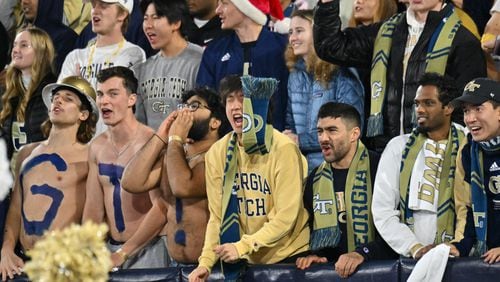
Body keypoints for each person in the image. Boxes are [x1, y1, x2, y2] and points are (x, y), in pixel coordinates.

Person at [314, 0, 486, 151]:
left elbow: (466, 106)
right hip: (385, 150)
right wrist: (328, 4)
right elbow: (331, 46)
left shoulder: (463, 41)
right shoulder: (385, 32)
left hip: (435, 154)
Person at [188, 75, 310, 281]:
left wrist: (242, 246)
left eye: (242, 98)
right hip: (245, 259)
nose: (235, 106)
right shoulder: (218, 152)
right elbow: (217, 217)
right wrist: (206, 263)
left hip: (287, 258)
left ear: (260, 106)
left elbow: (285, 217)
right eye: (230, 100)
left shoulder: (284, 149)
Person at [0, 75, 98, 281]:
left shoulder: (90, 156)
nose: (58, 100)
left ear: (83, 114)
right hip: (22, 263)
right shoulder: (27, 153)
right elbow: (15, 208)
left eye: (68, 98)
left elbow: (96, 214)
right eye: (56, 97)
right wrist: (6, 249)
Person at [122, 87, 230, 264]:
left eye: (194, 106)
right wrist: (162, 135)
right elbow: (131, 182)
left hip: (214, 268)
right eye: (184, 106)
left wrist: (175, 140)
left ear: (215, 122)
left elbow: (183, 187)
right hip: (175, 266)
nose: (185, 112)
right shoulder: (175, 156)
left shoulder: (219, 156)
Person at [372, 73, 467, 259]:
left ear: (448, 107)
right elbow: (382, 210)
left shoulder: (469, 142)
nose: (420, 110)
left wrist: (461, 245)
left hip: (463, 253)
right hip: (411, 257)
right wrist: (413, 247)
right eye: (417, 104)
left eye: (428, 103)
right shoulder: (397, 147)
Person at [296, 102, 396, 278]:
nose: (323, 138)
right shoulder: (315, 180)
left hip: (381, 273)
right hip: (335, 275)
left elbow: (397, 225)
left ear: (354, 134)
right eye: (320, 131)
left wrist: (363, 253)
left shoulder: (381, 167)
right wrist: (316, 256)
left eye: (332, 130)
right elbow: (310, 230)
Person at [83, 66, 168, 269]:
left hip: (149, 248)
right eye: (101, 94)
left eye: (113, 94)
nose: (104, 101)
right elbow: (93, 209)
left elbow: (162, 208)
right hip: (110, 251)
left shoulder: (152, 142)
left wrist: (124, 252)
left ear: (132, 100)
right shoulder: (96, 147)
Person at [284, 9, 365, 171]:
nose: (293, 38)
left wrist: (301, 140)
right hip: (301, 169)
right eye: (290, 32)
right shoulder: (294, 75)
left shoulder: (341, 72)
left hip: (336, 168)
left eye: (299, 31)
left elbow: (352, 128)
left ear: (317, 32)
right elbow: (290, 123)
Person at [196, 0, 290, 131]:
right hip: (228, 146)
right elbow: (205, 102)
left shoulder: (283, 48)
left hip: (276, 144)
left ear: (246, 7)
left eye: (225, 3)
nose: (218, 10)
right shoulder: (214, 51)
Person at [450, 78, 500, 262]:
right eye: (466, 111)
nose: (470, 119)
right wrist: (460, 246)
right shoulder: (468, 151)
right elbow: (467, 207)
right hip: (489, 256)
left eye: (478, 109)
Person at [134, 0, 203, 130]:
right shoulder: (143, 69)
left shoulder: (200, 61)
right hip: (152, 147)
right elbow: (140, 124)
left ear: (176, 22)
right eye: (145, 19)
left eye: (156, 18)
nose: (148, 25)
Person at [0, 27, 56, 165]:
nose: (15, 50)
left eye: (23, 45)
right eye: (14, 45)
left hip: (41, 170)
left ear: (40, 51)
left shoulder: (52, 91)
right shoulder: (8, 91)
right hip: (11, 172)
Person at [59, 0, 145, 89]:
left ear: (122, 14)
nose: (94, 11)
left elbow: (126, 99)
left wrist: (80, 94)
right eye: (93, 5)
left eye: (103, 6)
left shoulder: (132, 54)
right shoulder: (75, 57)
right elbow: (59, 98)